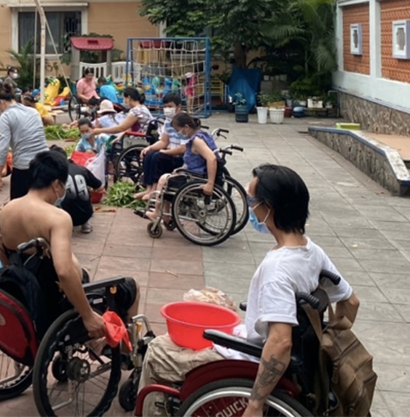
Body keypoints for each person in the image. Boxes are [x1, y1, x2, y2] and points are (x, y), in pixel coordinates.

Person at [137, 164, 358, 417]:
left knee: (156, 351)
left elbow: (281, 342)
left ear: (269, 208)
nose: (251, 207)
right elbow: (351, 302)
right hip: (281, 356)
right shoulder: (312, 251)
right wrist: (323, 346)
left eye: (252, 200)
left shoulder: (277, 270)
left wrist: (255, 403)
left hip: (252, 361)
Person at [0, 149, 139, 340]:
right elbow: (64, 271)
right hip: (58, 304)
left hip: (28, 295)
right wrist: (87, 315)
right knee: (131, 286)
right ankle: (119, 351)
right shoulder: (58, 217)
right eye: (63, 186)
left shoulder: (7, 210)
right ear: (57, 184)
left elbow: (1, 251)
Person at [139, 113, 217, 223]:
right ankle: (165, 215)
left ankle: (157, 213)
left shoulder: (197, 140)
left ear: (186, 127)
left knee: (163, 180)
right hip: (193, 172)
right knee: (169, 177)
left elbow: (212, 159)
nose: (176, 133)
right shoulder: (202, 134)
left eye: (177, 130)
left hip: (195, 177)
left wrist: (210, 184)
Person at [133, 93, 189, 202]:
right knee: (149, 154)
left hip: (181, 157)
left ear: (178, 107)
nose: (167, 109)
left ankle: (154, 190)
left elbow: (183, 148)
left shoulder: (184, 122)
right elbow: (164, 141)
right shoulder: (168, 121)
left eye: (170, 106)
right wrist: (150, 148)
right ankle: (148, 189)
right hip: (171, 153)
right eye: (165, 106)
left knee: (157, 157)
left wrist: (165, 152)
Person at [0, 90, 48, 199]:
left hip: (24, 166)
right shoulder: (33, 112)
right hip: (44, 162)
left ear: (1, 102)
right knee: (41, 202)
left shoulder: (6, 116)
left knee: (18, 204)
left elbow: (3, 148)